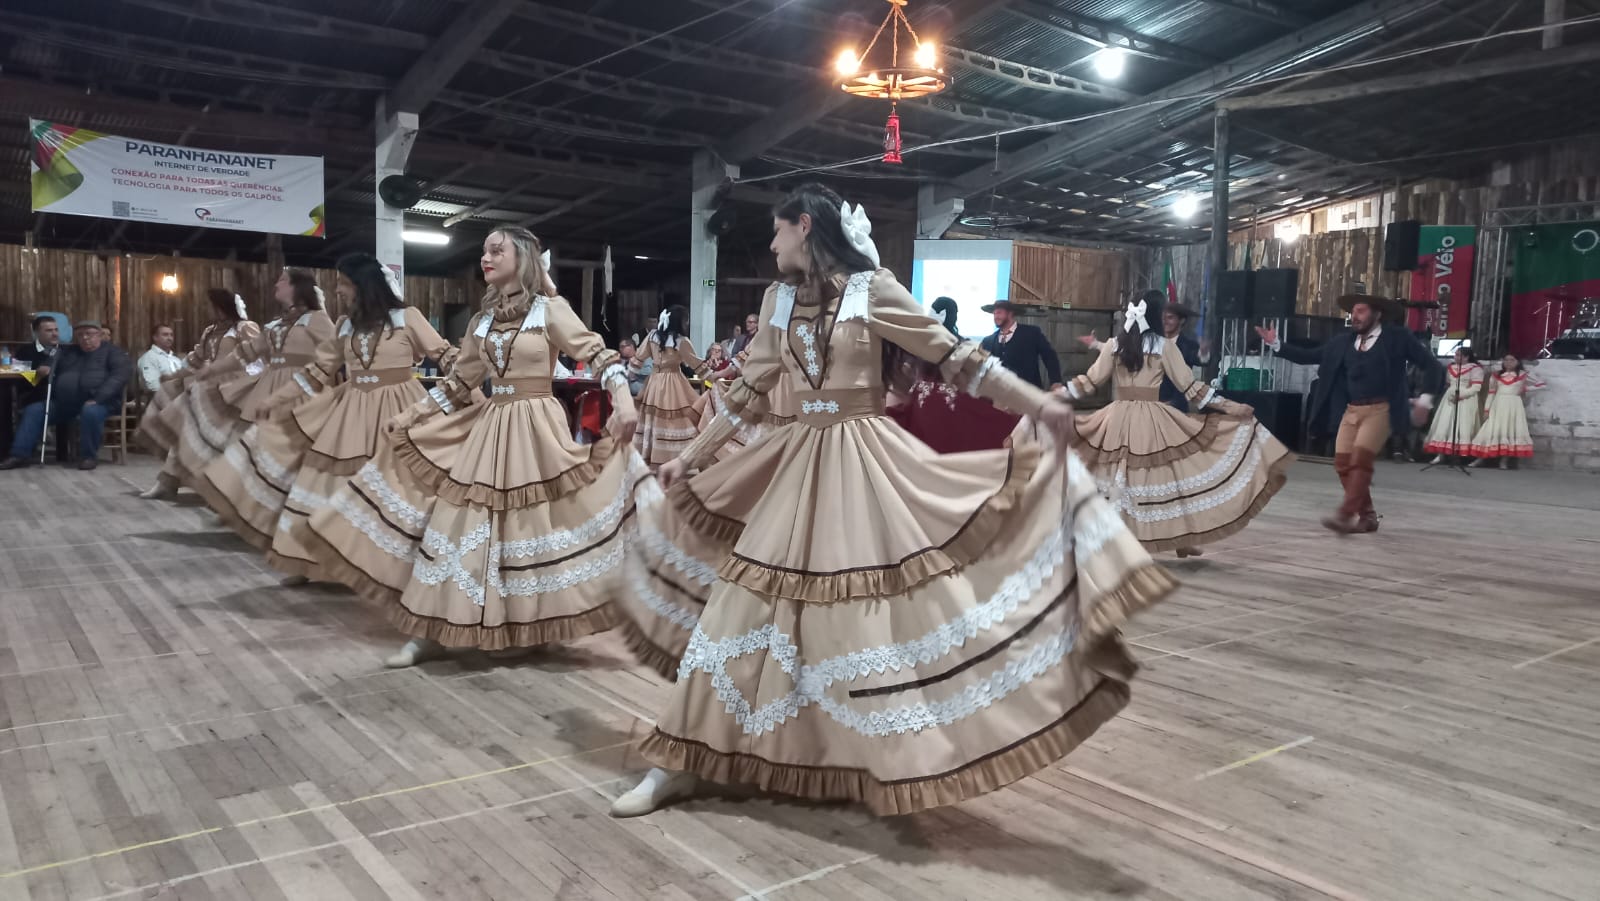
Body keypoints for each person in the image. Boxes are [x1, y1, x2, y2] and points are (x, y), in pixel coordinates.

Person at [609, 183, 1176, 819]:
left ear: (804, 226)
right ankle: (682, 758)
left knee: (867, 612)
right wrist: (690, 456)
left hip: (862, 460)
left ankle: (878, 755)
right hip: (797, 459)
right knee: (738, 607)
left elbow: (958, 358)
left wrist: (1036, 401)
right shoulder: (778, 301)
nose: (770, 244)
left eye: (776, 231)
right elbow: (747, 389)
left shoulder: (871, 288)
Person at [302, 227, 642, 669]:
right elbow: (458, 384)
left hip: (536, 429)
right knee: (455, 524)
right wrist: (411, 417)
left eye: (496, 250)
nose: (486, 257)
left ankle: (530, 628)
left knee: (532, 530)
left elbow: (600, 356)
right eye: (484, 251)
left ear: (521, 258)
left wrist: (627, 401)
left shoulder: (549, 310)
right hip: (490, 429)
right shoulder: (481, 322)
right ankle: (430, 631)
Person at [194, 257, 454, 584]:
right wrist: (277, 399)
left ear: (362, 284)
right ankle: (316, 562)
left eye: (344, 283)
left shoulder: (407, 317)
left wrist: (470, 386)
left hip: (400, 407)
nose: (338, 290)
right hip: (353, 409)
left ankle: (397, 568)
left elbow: (445, 356)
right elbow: (318, 372)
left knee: (400, 486)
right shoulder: (345, 325)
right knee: (330, 483)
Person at [1068, 294, 1293, 557]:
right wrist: (1231, 406)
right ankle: (1165, 540)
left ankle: (1153, 540)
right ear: (1155, 316)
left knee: (1122, 478)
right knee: (1168, 477)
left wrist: (1055, 396)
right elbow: (1190, 387)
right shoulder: (1163, 346)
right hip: (1151, 418)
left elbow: (1090, 381)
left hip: (1117, 416)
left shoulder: (1115, 345)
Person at [1255, 295, 1442, 534]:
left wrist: (1424, 402)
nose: (1355, 316)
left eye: (1361, 311)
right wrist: (1276, 344)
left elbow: (1433, 366)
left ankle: (1345, 514)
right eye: (1353, 312)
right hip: (1352, 410)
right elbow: (1309, 356)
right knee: (1343, 464)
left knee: (1360, 461)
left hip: (1382, 409)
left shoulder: (1397, 338)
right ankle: (1367, 516)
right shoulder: (1342, 343)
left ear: (1378, 314)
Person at [887, 296, 1021, 453]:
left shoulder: (921, 344)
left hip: (923, 405)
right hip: (955, 403)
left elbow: (905, 370)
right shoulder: (963, 345)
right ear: (954, 317)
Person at [2, 321, 130, 471]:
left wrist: (98, 398)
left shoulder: (114, 353)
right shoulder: (68, 352)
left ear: (100, 335)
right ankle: (19, 454)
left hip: (100, 402)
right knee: (35, 410)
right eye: (80, 335)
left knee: (90, 412)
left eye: (89, 334)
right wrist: (45, 366)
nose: (85, 338)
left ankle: (88, 457)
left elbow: (118, 378)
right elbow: (49, 364)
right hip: (66, 402)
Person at [1080, 292, 1210, 411]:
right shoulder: (1136, 341)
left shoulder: (1184, 344)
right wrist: (1096, 344)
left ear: (1181, 321)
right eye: (1163, 317)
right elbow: (1119, 350)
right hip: (1132, 410)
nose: (1165, 321)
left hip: (1172, 408)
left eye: (1170, 318)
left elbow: (1197, 361)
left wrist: (1203, 353)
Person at [630, 305, 703, 465]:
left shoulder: (652, 336)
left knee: (656, 417)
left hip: (654, 381)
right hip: (674, 380)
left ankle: (652, 456)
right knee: (678, 417)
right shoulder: (681, 341)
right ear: (681, 321)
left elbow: (639, 357)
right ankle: (673, 457)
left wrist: (630, 374)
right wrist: (713, 377)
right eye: (686, 319)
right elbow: (695, 363)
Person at [1468, 355, 1544, 469]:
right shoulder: (1497, 375)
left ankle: (1504, 461)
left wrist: (1526, 389)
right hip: (1498, 404)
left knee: (1509, 430)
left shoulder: (1523, 374)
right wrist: (1487, 409)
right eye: (1506, 360)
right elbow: (1491, 393)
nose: (1508, 362)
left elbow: (1541, 384)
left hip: (1514, 405)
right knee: (1491, 430)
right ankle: (1481, 459)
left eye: (1512, 360)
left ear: (1518, 362)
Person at [980, 299, 1062, 390]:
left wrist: (1056, 381)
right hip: (999, 396)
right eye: (994, 314)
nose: (996, 317)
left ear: (1010, 313)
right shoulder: (988, 341)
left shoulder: (1031, 333)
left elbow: (1049, 356)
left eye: (999, 313)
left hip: (1029, 393)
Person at [1425, 347, 1483, 464]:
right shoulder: (1451, 367)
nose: (1456, 357)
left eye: (1459, 355)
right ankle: (1441, 454)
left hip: (1466, 399)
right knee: (1445, 423)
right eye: (1455, 355)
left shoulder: (1476, 369)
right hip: (1450, 398)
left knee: (1462, 426)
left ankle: (1458, 456)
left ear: (1467, 357)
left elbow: (1476, 387)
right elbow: (1448, 383)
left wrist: (1462, 395)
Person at [12, 315, 62, 407]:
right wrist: (37, 376)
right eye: (49, 331)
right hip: (36, 398)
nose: (55, 334)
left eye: (56, 330)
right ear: (36, 333)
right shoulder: (23, 351)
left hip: (64, 396)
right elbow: (17, 381)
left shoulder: (65, 351)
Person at [137, 324, 186, 394]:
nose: (169, 338)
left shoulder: (176, 360)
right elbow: (153, 386)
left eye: (171, 335)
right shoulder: (149, 358)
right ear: (155, 337)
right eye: (165, 335)